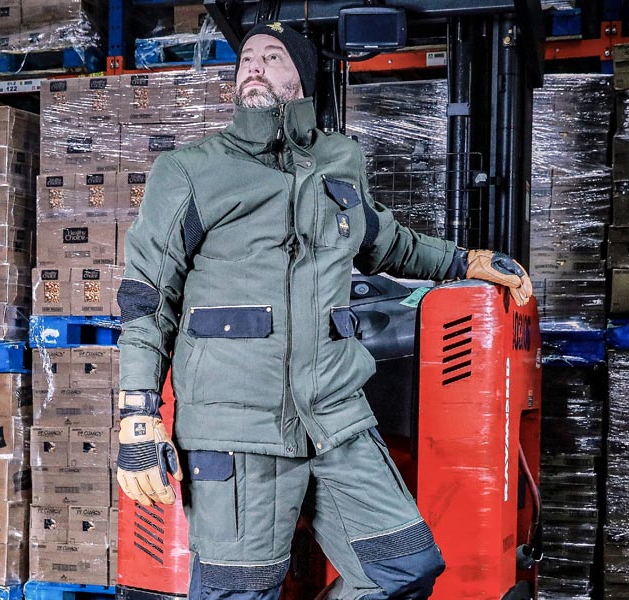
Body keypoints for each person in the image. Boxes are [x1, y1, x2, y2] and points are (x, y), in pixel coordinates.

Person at [114, 21, 534, 600]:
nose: (254, 65)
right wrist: (137, 413)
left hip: (335, 418)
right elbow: (146, 296)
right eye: (247, 59)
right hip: (238, 428)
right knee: (241, 593)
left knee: (403, 570)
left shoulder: (340, 161)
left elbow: (385, 242)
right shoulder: (190, 170)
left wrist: (465, 261)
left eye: (273, 56)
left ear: (303, 79)